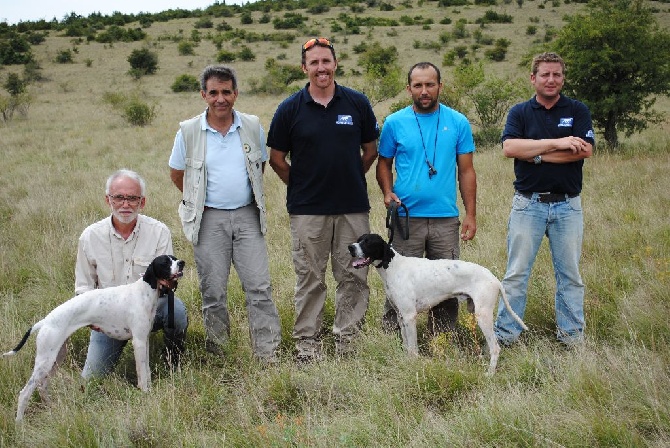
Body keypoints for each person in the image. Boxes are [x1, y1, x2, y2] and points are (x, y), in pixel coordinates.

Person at [267, 37, 379, 361]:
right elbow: (276, 158)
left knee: (355, 276)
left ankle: (348, 346)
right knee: (310, 280)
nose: (321, 68)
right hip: (308, 212)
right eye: (314, 63)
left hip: (352, 209)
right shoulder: (290, 108)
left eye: (326, 61)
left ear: (335, 64)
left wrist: (351, 177)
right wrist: (301, 185)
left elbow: (370, 150)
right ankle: (307, 349)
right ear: (304, 68)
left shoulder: (357, 103)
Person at [169, 64, 281, 363]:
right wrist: (197, 201)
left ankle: (267, 353)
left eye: (227, 92)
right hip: (208, 221)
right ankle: (219, 353)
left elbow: (260, 165)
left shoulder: (252, 125)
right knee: (213, 291)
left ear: (236, 93)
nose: (221, 99)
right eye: (214, 92)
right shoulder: (189, 131)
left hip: (247, 216)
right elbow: (177, 172)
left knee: (259, 287)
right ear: (203, 94)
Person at [494, 52, 594, 347]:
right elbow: (510, 148)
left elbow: (585, 150)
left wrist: (535, 153)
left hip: (568, 205)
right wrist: (558, 143)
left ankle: (572, 338)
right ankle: (506, 336)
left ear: (563, 78)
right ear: (533, 78)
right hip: (528, 204)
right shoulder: (520, 113)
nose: (551, 80)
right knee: (516, 274)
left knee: (570, 276)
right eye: (545, 74)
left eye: (557, 75)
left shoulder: (577, 110)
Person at [376, 61, 478, 336]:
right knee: (398, 284)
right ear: (409, 88)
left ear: (440, 87)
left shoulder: (457, 122)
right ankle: (393, 340)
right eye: (418, 85)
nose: (424, 91)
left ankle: (440, 343)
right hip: (407, 217)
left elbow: (466, 171)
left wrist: (470, 214)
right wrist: (387, 193)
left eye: (430, 84)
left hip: (446, 218)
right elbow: (383, 163)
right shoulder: (395, 123)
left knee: (446, 286)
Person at [77, 169, 188, 378]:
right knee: (90, 381)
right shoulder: (89, 237)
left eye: (132, 198)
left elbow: (169, 283)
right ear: (107, 200)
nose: (125, 204)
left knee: (177, 311)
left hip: (150, 310)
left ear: (142, 202)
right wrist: (93, 319)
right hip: (108, 319)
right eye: (118, 197)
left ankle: (174, 359)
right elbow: (83, 289)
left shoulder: (159, 232)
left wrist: (169, 282)